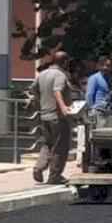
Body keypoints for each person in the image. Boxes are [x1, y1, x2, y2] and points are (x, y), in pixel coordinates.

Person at [32, 51, 75, 185]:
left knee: (47, 144)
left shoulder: (42, 74)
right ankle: (55, 175)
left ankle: (38, 167)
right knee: (60, 146)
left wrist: (39, 104)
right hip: (58, 117)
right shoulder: (60, 75)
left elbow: (34, 89)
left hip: (45, 116)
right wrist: (63, 107)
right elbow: (57, 91)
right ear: (64, 62)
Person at [85, 57, 112, 128]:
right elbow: (89, 95)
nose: (106, 68)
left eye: (108, 66)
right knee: (97, 134)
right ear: (99, 66)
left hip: (106, 111)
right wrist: (91, 110)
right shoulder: (94, 78)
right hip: (97, 111)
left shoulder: (108, 79)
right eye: (104, 65)